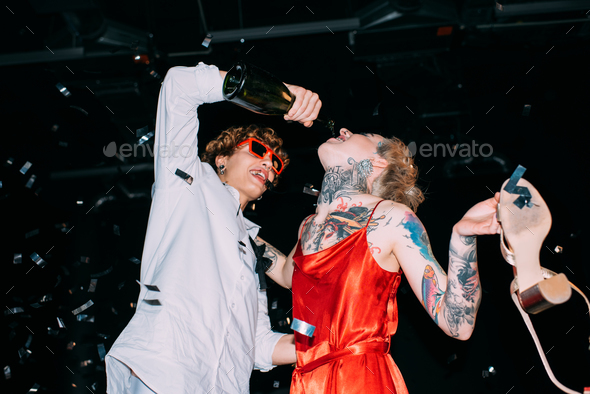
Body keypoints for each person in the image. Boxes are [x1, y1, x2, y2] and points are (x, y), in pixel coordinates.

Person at [105, 62, 321, 393]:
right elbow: (178, 85)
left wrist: (327, 342)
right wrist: (280, 97)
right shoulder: (188, 183)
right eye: (258, 151)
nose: (268, 163)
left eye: (275, 164)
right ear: (221, 160)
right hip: (165, 375)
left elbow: (262, 339)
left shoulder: (251, 248)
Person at [263, 129, 501, 393]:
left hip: (360, 379)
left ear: (378, 162)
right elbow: (287, 275)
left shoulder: (392, 218)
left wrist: (462, 238)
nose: (344, 130)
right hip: (306, 382)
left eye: (363, 133)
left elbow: (459, 324)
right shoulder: (307, 227)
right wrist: (234, 225)